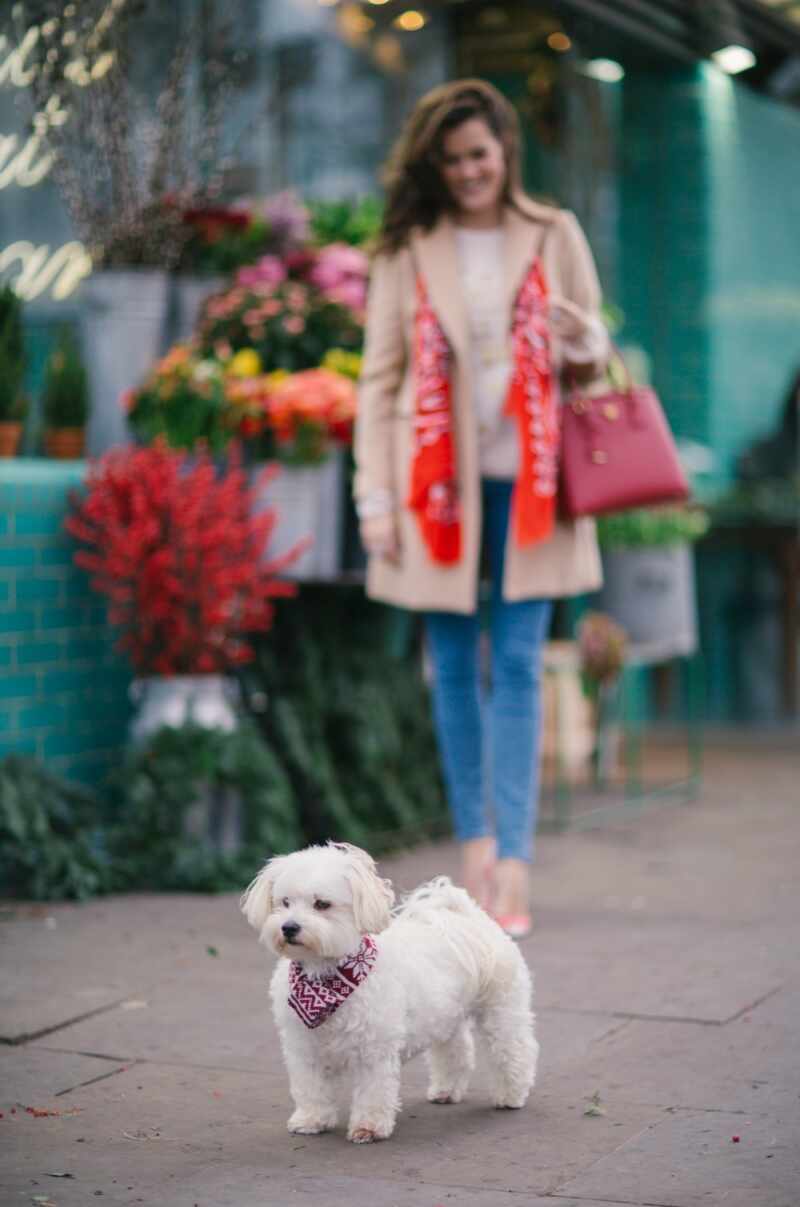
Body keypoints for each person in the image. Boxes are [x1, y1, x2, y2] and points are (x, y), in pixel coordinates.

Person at [353, 79, 609, 938]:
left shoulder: (554, 232)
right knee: (455, 669)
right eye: (453, 158)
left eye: (480, 155)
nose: (468, 171)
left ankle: (515, 863)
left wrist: (587, 343)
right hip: (435, 492)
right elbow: (379, 379)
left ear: (506, 151)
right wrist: (376, 498)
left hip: (539, 485)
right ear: (438, 164)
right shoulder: (408, 247)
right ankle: (473, 847)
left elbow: (591, 362)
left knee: (522, 664)